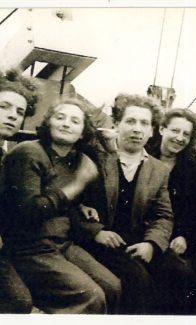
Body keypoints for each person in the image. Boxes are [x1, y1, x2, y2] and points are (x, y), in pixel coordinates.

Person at [0, 98, 121, 314]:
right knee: (91, 297)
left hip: (62, 244)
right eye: (60, 117)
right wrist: (75, 188)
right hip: (30, 248)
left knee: (112, 286)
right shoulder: (29, 152)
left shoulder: (75, 159)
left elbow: (86, 183)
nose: (66, 124)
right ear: (48, 123)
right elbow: (29, 211)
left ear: (83, 132)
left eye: (75, 121)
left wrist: (79, 204)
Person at [74, 93, 174, 314]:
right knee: (138, 282)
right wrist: (95, 231)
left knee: (180, 272)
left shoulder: (158, 169)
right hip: (98, 241)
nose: (137, 129)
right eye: (130, 121)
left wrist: (152, 244)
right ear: (117, 124)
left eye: (144, 123)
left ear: (152, 131)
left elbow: (163, 216)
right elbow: (72, 202)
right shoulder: (94, 157)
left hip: (136, 240)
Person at [145, 108, 196, 314]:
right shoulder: (144, 154)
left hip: (179, 237)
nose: (179, 138)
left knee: (194, 276)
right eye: (175, 130)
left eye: (186, 134)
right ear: (161, 128)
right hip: (144, 230)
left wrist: (185, 236)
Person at [0, 68, 40, 314]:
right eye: (4, 106)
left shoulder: (5, 156)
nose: (13, 116)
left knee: (19, 302)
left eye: (19, 112)